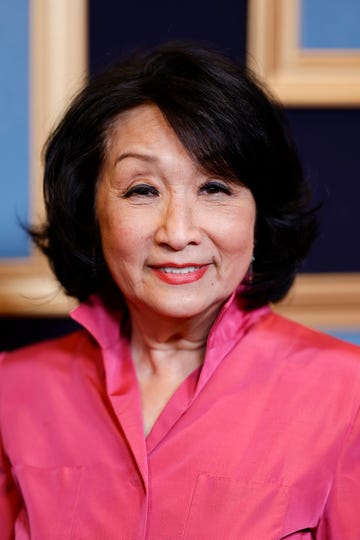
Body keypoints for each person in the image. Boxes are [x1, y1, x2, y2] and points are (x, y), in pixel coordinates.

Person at [1, 42, 359, 540]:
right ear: (92, 213)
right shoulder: (12, 391)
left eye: (215, 188)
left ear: (260, 214)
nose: (178, 232)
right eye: (142, 190)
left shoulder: (348, 395)